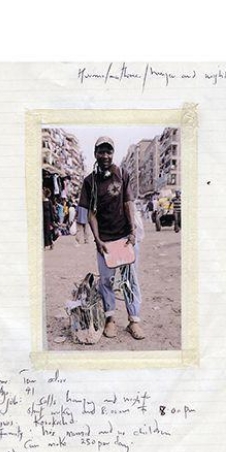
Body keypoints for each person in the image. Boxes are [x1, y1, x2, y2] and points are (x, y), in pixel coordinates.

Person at [78, 136, 145, 340]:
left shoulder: (122, 174)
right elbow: (91, 214)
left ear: (113, 153)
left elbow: (128, 203)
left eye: (109, 152)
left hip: (124, 237)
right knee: (106, 280)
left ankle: (133, 321)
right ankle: (110, 320)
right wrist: (97, 240)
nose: (105, 155)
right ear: (95, 153)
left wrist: (132, 231)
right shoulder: (90, 181)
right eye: (101, 151)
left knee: (129, 280)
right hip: (105, 240)